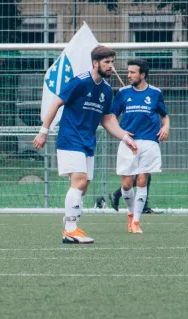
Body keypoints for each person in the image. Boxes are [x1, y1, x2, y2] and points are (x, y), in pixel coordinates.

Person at [33, 45, 138, 244]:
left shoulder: (106, 90)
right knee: (79, 181)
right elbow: (55, 103)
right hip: (70, 138)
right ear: (95, 63)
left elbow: (106, 120)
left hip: (88, 142)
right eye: (107, 62)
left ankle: (71, 225)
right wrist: (43, 131)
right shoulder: (79, 82)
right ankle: (70, 230)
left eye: (112, 62)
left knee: (83, 187)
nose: (111, 67)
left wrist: (125, 137)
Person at [108, 59, 170, 234]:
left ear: (142, 75)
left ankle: (136, 221)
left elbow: (164, 116)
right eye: (127, 72)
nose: (128, 75)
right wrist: (122, 133)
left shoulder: (156, 93)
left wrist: (165, 127)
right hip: (128, 142)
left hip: (149, 141)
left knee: (142, 179)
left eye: (132, 72)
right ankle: (130, 213)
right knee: (127, 185)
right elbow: (112, 117)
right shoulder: (122, 93)